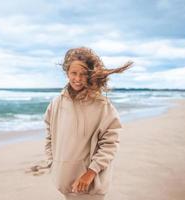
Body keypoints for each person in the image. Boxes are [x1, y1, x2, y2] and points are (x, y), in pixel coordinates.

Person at [44, 47, 133, 200]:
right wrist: (53, 164)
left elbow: (110, 143)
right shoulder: (56, 103)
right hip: (65, 183)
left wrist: (91, 173)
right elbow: (49, 136)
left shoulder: (102, 105)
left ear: (90, 75)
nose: (78, 79)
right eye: (74, 73)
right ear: (67, 73)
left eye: (83, 74)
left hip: (90, 186)